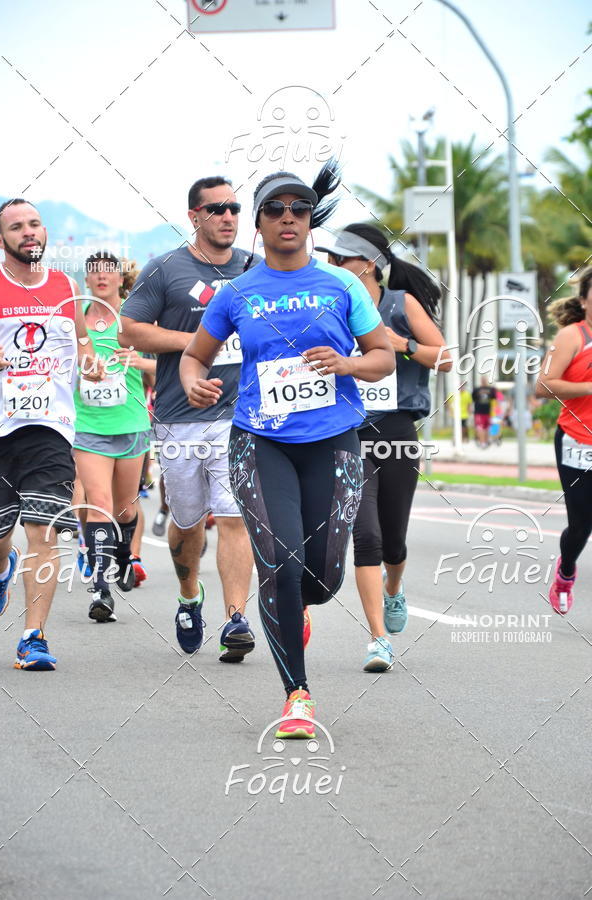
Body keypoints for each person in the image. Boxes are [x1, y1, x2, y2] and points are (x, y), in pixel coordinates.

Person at [180, 163, 395, 737]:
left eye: (299, 209)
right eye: (275, 210)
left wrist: (348, 363)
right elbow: (195, 354)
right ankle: (296, 696)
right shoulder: (238, 292)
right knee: (280, 564)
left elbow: (383, 356)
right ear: (259, 224)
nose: (288, 218)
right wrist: (193, 378)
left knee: (322, 578)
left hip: (333, 441)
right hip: (260, 441)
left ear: (310, 219)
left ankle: (297, 600)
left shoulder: (342, 284)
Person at [120, 176, 255, 661]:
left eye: (235, 208)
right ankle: (188, 595)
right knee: (187, 520)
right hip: (181, 417)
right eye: (217, 209)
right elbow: (129, 330)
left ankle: (236, 618)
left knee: (233, 515)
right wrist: (196, 342)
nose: (228, 217)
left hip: (241, 416)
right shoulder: (166, 270)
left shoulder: (254, 268)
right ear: (194, 216)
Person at [316, 224, 451, 670]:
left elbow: (447, 356)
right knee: (366, 536)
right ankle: (378, 639)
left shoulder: (400, 304)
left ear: (368, 265)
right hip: (348, 432)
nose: (332, 267)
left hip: (396, 433)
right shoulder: (331, 308)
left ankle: (395, 588)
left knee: (393, 540)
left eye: (341, 260)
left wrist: (403, 345)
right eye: (330, 261)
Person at [0, 198, 101, 669]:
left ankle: (33, 636)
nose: (28, 232)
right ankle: (0, 571)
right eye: (17, 227)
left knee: (44, 528)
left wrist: (92, 361)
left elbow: (81, 344)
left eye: (34, 223)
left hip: (50, 428)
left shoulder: (64, 286)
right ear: (1, 241)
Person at [73, 252, 155, 622]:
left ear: (122, 278)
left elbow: (172, 363)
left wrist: (140, 361)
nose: (101, 276)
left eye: (109, 271)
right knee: (98, 503)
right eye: (94, 272)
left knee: (124, 507)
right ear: (87, 280)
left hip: (132, 423)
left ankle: (124, 554)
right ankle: (101, 587)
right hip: (88, 426)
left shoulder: (136, 320)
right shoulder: (77, 322)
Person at [536, 266, 592, 615]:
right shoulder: (574, 336)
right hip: (577, 439)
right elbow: (543, 386)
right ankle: (566, 572)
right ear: (584, 301)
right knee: (583, 523)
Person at [472, 376, 496, 447]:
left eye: (485, 379)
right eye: (482, 379)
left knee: (487, 427)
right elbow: (473, 399)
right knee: (480, 427)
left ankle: (486, 441)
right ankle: (482, 442)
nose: (483, 381)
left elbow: (494, 400)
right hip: (479, 411)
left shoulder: (491, 389)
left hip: (488, 411)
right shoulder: (476, 389)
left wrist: (494, 410)